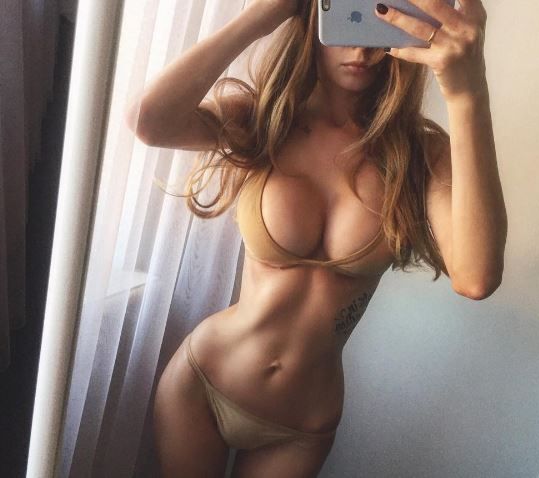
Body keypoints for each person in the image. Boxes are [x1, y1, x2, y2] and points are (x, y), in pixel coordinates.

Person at [125, 0, 506, 476]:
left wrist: (467, 92)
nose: (362, 50)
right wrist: (267, 12)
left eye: (382, 16)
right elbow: (149, 121)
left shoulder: (421, 156)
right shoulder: (266, 119)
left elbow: (476, 277)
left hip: (300, 427)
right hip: (204, 383)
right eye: (350, 14)